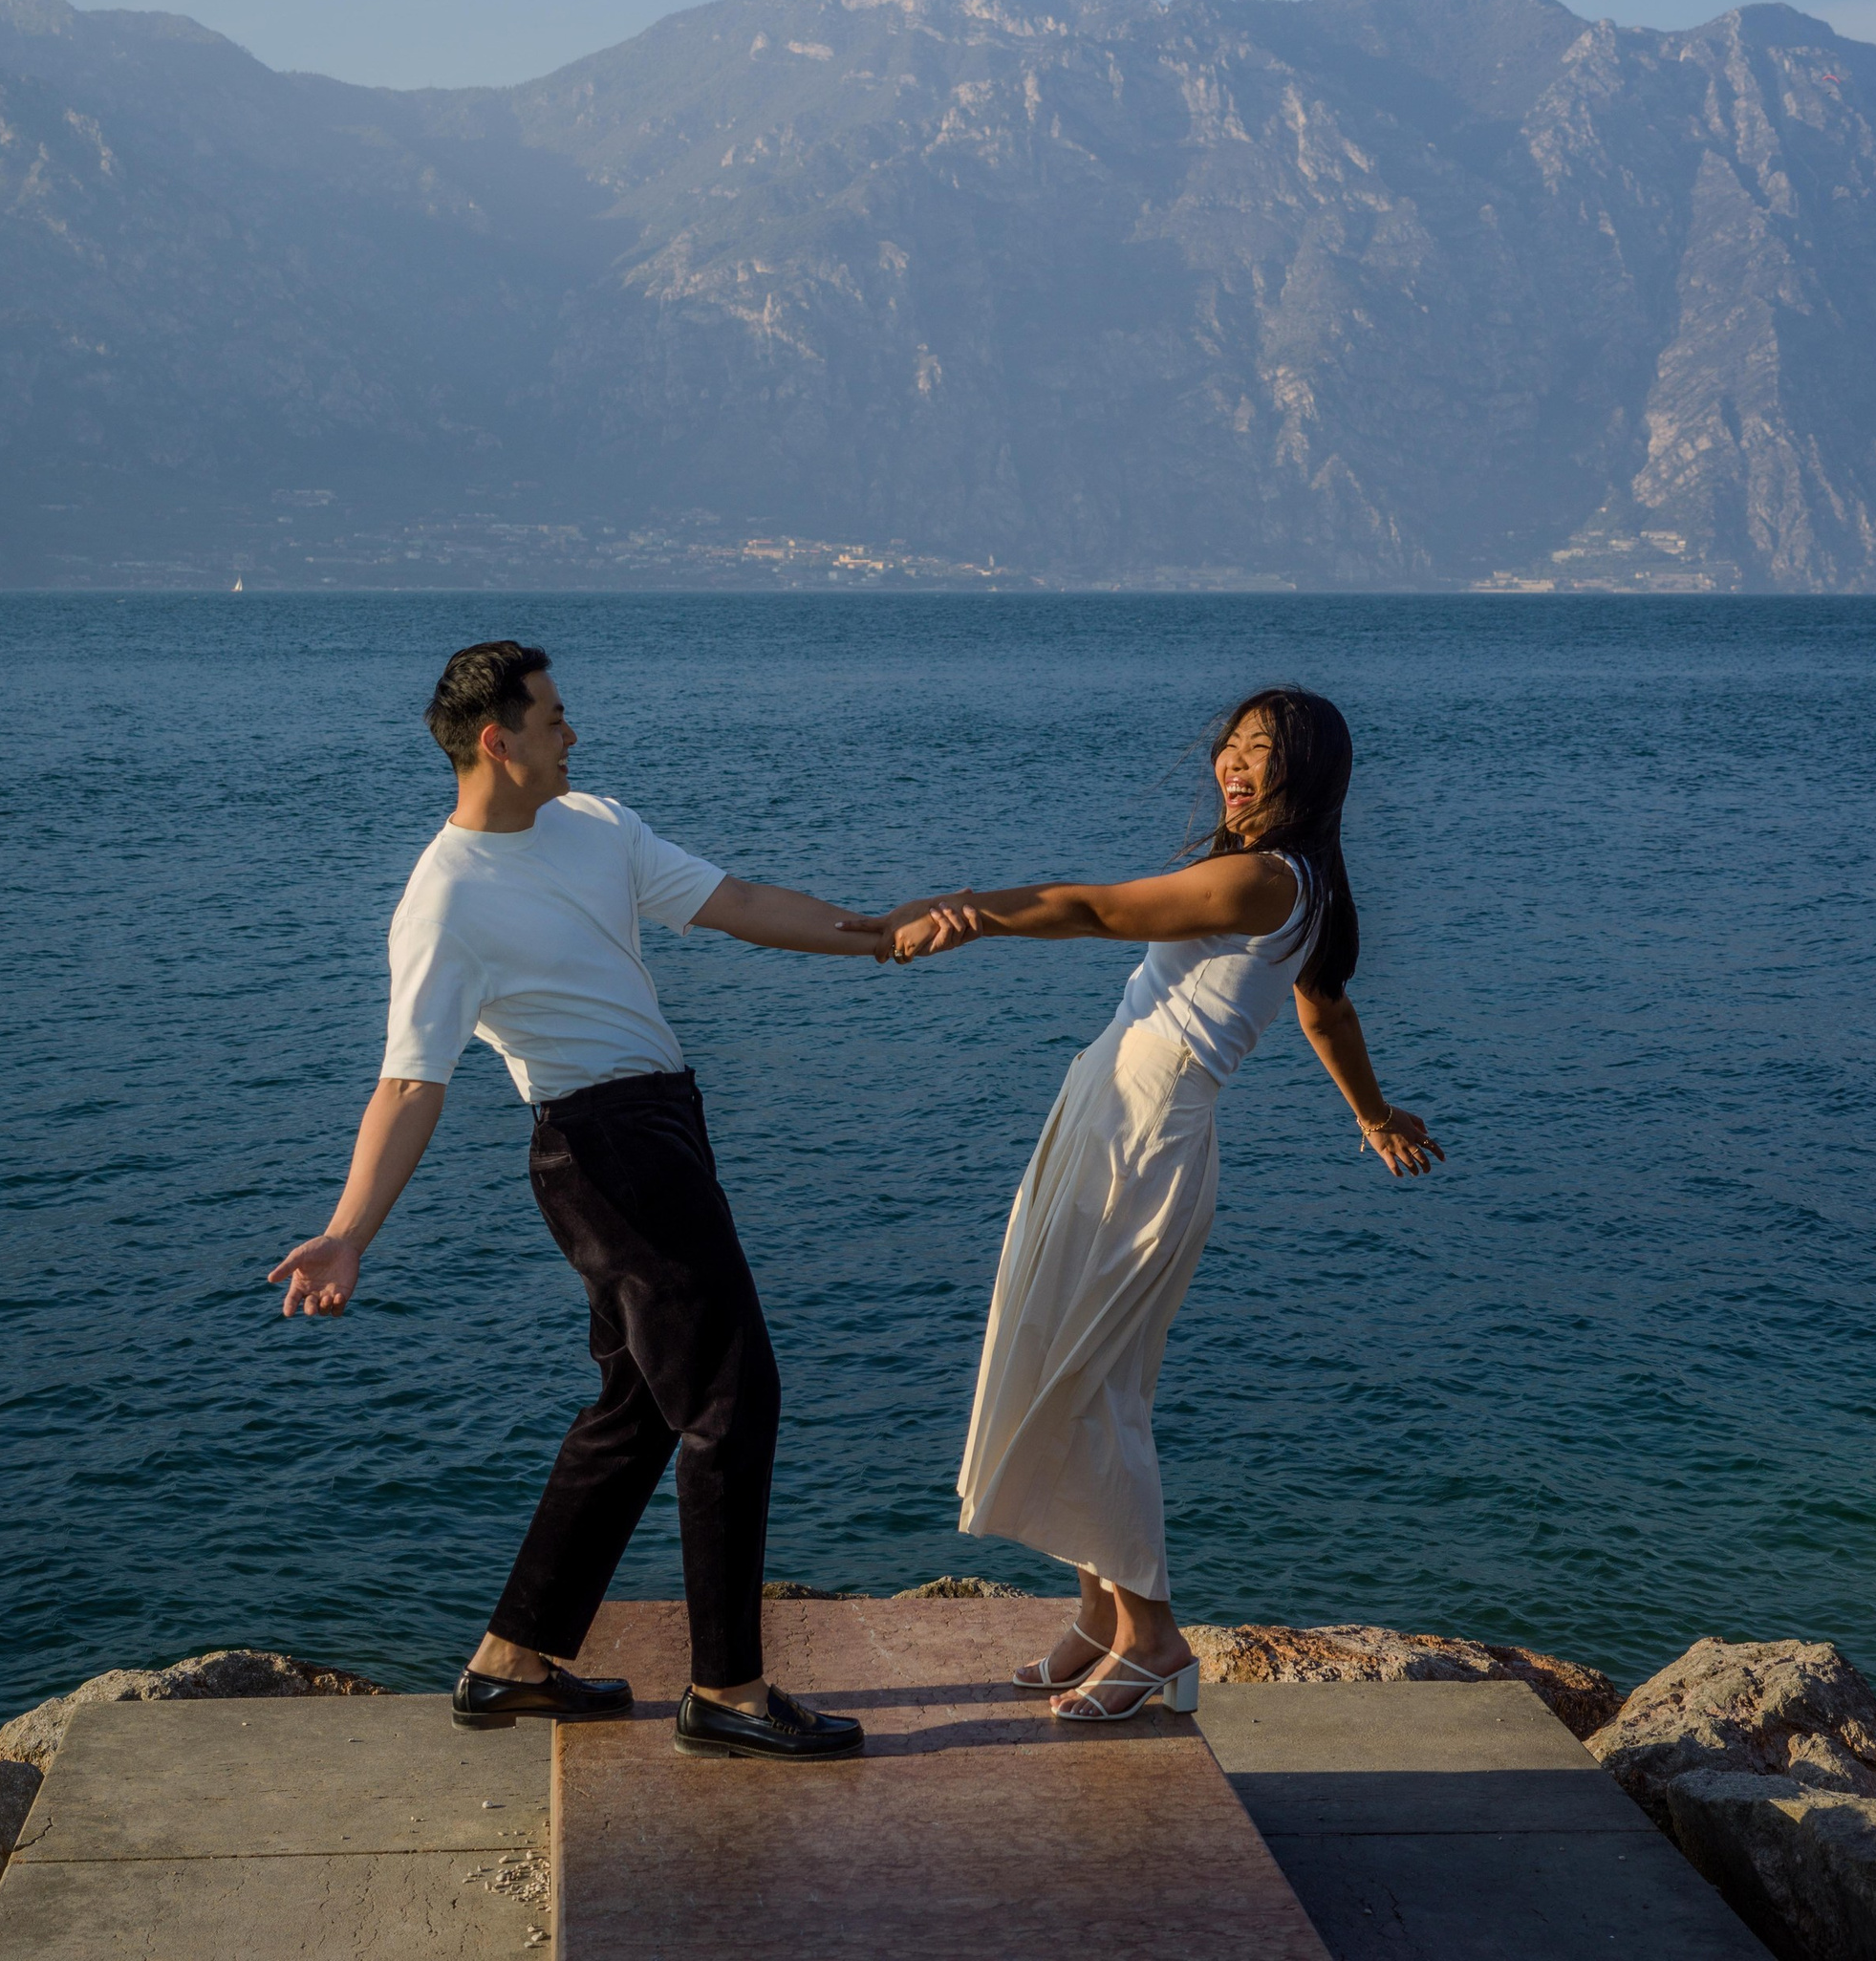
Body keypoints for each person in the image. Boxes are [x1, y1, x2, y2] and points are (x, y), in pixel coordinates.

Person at [269, 638, 884, 1763]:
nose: (572, 732)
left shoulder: (594, 822)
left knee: (638, 1409)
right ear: (496, 739)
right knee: (731, 1396)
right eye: (552, 716)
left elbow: (737, 900)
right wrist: (349, 1231)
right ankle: (728, 1689)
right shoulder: (443, 899)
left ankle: (512, 1660)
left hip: (665, 1124)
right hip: (600, 1153)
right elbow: (408, 1082)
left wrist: (877, 935)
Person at [879, 682, 1443, 1725]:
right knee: (1066, 1358)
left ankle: (1154, 1639)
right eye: (1231, 744)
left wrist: (966, 913)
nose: (1233, 763)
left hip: (1141, 1131)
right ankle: (1101, 1616)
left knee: (1093, 1382)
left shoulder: (1265, 879)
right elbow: (1324, 1010)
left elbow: (1095, 909)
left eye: (1261, 749)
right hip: (1110, 1110)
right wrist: (1372, 1115)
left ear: (1306, 771)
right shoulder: (1302, 882)